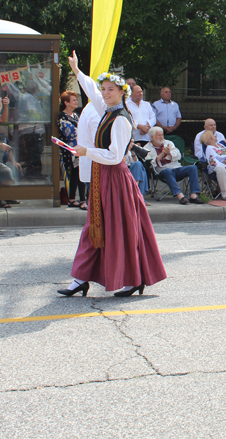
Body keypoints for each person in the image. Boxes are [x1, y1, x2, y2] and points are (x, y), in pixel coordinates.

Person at [57, 52, 167, 298]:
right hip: (101, 177)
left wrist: (87, 151)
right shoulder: (107, 110)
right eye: (104, 89)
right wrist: (76, 71)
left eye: (110, 90)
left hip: (114, 179)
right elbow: (92, 93)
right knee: (95, 228)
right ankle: (80, 279)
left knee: (117, 230)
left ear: (121, 93)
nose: (105, 93)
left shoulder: (120, 119)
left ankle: (130, 279)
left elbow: (115, 156)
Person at [145, 126, 204, 205]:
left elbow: (178, 155)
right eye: (159, 135)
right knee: (167, 171)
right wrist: (162, 154)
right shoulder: (147, 148)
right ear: (152, 137)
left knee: (193, 167)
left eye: (162, 134)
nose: (161, 137)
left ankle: (193, 195)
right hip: (162, 172)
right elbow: (150, 164)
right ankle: (180, 196)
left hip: (177, 169)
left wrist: (169, 153)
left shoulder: (169, 143)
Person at [57, 91, 87, 210]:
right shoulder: (62, 117)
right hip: (70, 150)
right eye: (73, 100)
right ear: (66, 103)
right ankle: (76, 199)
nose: (76, 102)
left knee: (79, 173)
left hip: (80, 147)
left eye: (76, 99)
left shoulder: (76, 116)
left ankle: (76, 199)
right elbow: (71, 132)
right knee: (76, 173)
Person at [201, 130, 226, 200]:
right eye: (213, 135)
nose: (215, 136)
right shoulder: (209, 148)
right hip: (216, 169)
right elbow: (213, 162)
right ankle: (223, 193)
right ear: (211, 138)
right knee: (221, 169)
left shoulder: (221, 145)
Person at [77, 102, 101, 188]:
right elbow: (98, 142)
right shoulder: (96, 112)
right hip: (96, 169)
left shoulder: (89, 108)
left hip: (91, 167)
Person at [124, 139, 151, 206]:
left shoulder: (130, 151)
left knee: (139, 165)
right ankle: (139, 196)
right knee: (140, 168)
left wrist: (133, 153)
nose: (132, 144)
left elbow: (135, 162)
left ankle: (137, 194)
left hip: (131, 170)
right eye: (131, 143)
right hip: (123, 170)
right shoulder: (121, 150)